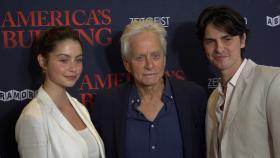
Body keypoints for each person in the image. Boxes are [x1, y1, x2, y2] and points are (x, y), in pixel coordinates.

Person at [92, 20, 207, 158]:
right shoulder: (106, 103)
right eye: (140, 58)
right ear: (127, 64)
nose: (149, 65)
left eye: (155, 56)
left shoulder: (193, 97)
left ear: (164, 59)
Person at [196, 6, 280, 158]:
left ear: (243, 40)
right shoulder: (213, 98)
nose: (219, 49)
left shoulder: (272, 81)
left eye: (227, 39)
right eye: (210, 41)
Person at [15, 27, 105, 158]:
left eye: (78, 60)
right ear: (43, 61)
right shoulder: (32, 117)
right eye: (64, 60)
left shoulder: (80, 108)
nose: (73, 68)